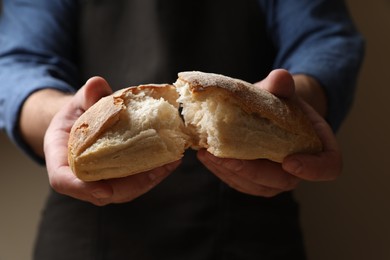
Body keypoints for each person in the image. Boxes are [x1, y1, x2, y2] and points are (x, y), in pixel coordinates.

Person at [0, 0, 364, 259]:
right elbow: (18, 64)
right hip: (90, 228)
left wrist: (294, 100)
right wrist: (61, 115)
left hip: (250, 224)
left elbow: (325, 39)